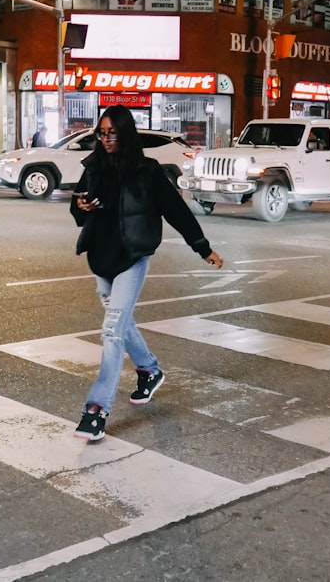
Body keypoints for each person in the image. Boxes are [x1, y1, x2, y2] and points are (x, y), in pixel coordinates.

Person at [70, 105, 224, 442]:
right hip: (102, 255)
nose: (106, 139)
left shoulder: (148, 171)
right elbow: (78, 207)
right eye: (101, 133)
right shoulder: (93, 166)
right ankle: (150, 371)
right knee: (119, 321)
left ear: (125, 133)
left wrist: (203, 248)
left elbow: (177, 212)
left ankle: (96, 410)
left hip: (133, 256)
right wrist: (80, 207)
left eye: (112, 133)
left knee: (112, 330)